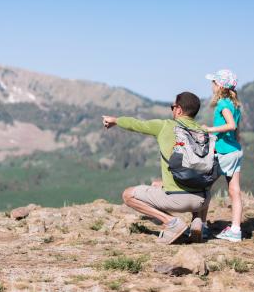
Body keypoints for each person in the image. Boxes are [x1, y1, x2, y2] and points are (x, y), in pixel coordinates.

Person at [102, 92, 211, 245]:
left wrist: (115, 120)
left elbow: (137, 124)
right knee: (192, 176)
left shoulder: (165, 126)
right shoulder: (204, 132)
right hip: (203, 199)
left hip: (178, 200)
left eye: (172, 107)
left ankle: (172, 223)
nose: (172, 110)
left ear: (178, 110)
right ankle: (199, 222)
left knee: (128, 195)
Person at [202, 69, 243, 242]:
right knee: (235, 191)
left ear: (219, 86)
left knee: (203, 188)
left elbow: (231, 125)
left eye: (213, 82)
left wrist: (210, 130)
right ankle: (235, 230)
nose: (211, 85)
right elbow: (237, 131)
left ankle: (201, 226)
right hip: (235, 151)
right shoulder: (235, 105)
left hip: (223, 152)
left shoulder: (223, 104)